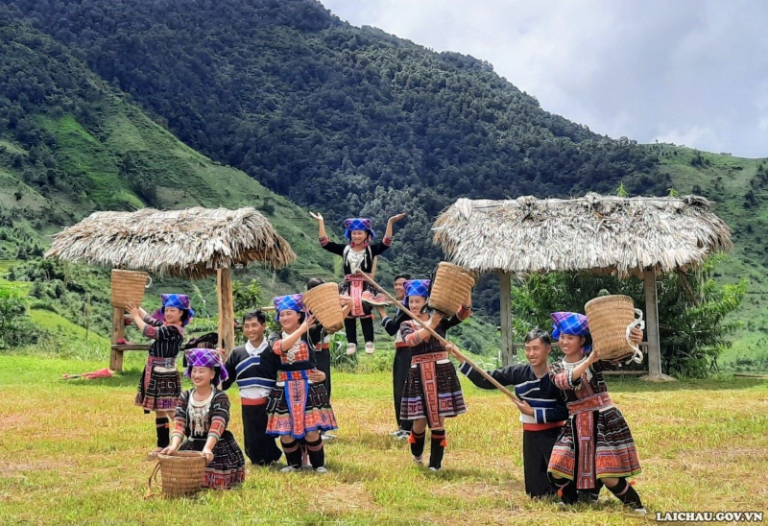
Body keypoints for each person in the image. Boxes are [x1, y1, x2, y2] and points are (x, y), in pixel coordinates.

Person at [547, 312, 646, 514]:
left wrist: (634, 339)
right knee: (558, 468)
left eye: (570, 337)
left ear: (582, 340)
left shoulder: (597, 361)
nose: (564, 342)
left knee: (608, 473)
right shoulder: (556, 367)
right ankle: (574, 498)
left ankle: (635, 506)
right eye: (562, 336)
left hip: (603, 420)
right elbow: (564, 382)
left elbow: (621, 355)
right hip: (575, 423)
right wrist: (589, 359)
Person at [454, 328, 567, 498]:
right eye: (527, 349)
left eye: (536, 348)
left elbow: (566, 410)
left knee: (561, 487)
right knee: (536, 494)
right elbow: (486, 379)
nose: (531, 353)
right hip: (530, 435)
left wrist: (534, 412)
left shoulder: (558, 376)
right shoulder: (518, 372)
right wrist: (461, 359)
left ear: (548, 349)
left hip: (555, 435)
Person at [399, 279, 471, 471]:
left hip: (441, 372)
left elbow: (463, 312)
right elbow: (412, 340)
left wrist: (466, 289)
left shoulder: (440, 319)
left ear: (426, 301)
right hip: (418, 373)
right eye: (411, 301)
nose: (413, 305)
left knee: (438, 419)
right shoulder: (406, 323)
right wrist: (432, 322)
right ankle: (417, 455)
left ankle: (435, 465)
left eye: (417, 301)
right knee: (419, 421)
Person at [311, 211, 406, 355]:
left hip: (365, 284)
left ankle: (369, 340)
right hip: (349, 285)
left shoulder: (371, 250)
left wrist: (390, 222)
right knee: (348, 309)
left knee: (365, 307)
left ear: (367, 234)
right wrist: (321, 222)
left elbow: (386, 242)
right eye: (354, 233)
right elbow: (325, 243)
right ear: (350, 234)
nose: (356, 236)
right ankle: (351, 342)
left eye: (360, 233)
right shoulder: (345, 250)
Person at [266, 294, 337, 473]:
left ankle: (318, 464)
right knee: (286, 432)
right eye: (281, 315)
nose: (284, 318)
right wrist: (302, 328)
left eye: (289, 313)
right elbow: (279, 348)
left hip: (309, 386)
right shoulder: (275, 335)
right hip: (285, 388)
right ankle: (294, 465)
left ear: (299, 315)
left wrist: (346, 304)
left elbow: (334, 323)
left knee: (312, 430)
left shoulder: (310, 333)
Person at [161, 348, 246, 490]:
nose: (196, 375)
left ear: (212, 374)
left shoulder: (220, 397)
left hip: (216, 446)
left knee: (212, 486)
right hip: (192, 445)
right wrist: (174, 445)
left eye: (201, 371)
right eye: (194, 370)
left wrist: (207, 449)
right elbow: (179, 423)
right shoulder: (185, 396)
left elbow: (218, 424)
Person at [127, 294, 193, 456]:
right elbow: (150, 319)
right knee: (159, 410)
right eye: (167, 310)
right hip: (155, 370)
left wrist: (135, 316)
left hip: (165, 374)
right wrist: (136, 306)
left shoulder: (173, 330)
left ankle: (192, 438)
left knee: (170, 409)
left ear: (181, 313)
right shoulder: (167, 325)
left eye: (173, 310)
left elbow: (150, 331)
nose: (169, 313)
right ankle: (162, 444)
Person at [221, 310, 283, 466]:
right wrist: (217, 366)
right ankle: (256, 457)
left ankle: (273, 455)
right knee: (252, 436)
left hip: (270, 403)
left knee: (269, 434)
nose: (250, 329)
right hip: (248, 404)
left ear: (263, 326)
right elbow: (225, 381)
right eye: (246, 326)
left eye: (254, 325)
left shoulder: (272, 351)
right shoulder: (237, 353)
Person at [375, 273, 413, 439]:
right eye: (396, 284)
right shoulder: (401, 306)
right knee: (398, 388)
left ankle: (407, 428)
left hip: (409, 351)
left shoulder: (409, 307)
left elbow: (392, 329)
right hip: (401, 350)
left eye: (402, 285)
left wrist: (381, 312)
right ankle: (402, 426)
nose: (398, 287)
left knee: (405, 388)